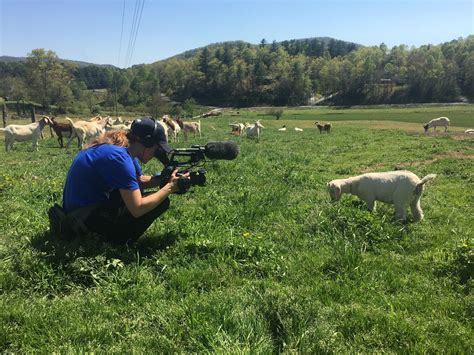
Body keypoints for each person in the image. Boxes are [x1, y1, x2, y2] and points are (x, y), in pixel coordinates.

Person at [49, 117, 188, 244]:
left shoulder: (120, 149)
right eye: (157, 149)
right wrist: (170, 187)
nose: (157, 154)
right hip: (81, 220)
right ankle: (113, 242)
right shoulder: (120, 158)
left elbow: (136, 181)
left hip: (79, 212)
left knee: (138, 195)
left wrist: (163, 179)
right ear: (147, 143)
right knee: (161, 201)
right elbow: (137, 208)